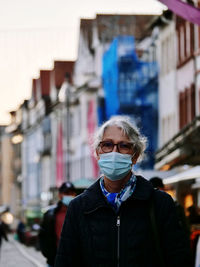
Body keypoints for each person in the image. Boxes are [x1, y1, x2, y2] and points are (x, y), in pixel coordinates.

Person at [55, 115, 193, 267]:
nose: (114, 152)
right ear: (98, 153)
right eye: (107, 144)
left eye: (124, 146)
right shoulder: (79, 207)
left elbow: (178, 259)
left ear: (135, 156)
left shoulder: (159, 203)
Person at [39, 182, 76, 267]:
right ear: (60, 195)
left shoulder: (79, 213)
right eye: (66, 193)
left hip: (74, 260)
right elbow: (42, 235)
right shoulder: (50, 214)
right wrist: (48, 254)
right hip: (54, 260)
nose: (69, 196)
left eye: (71, 193)